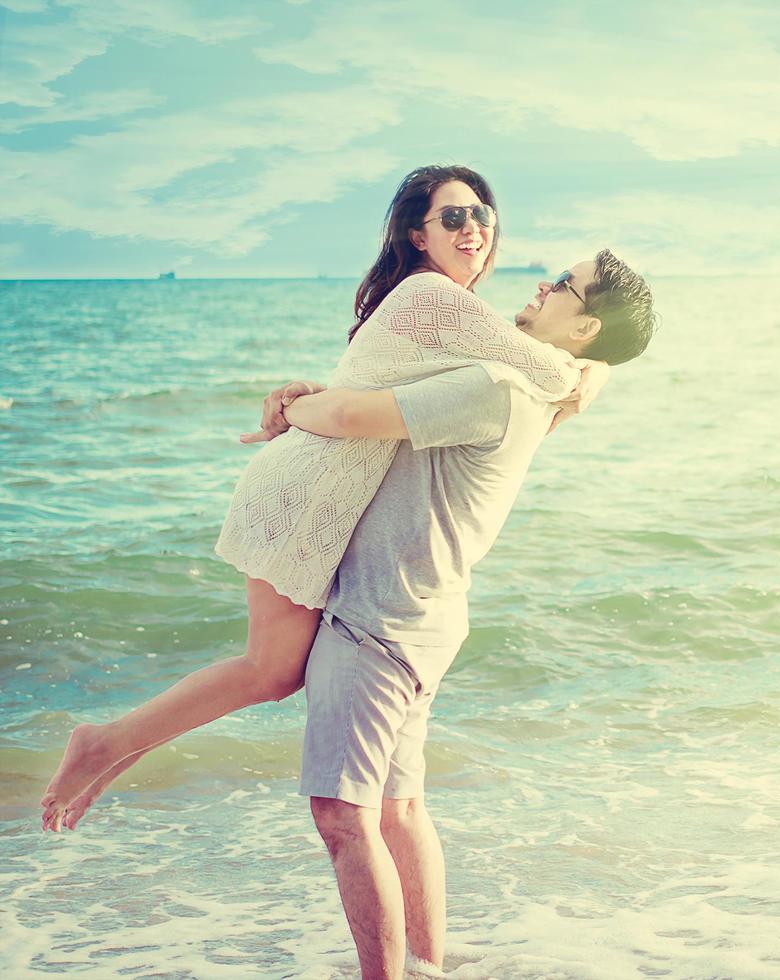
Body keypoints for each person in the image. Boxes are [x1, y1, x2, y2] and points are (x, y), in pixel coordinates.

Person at [38, 165, 606, 832]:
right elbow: (548, 369)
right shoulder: (438, 298)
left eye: (482, 215)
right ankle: (101, 746)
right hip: (299, 498)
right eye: (452, 217)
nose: (473, 228)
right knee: (270, 670)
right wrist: (595, 372)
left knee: (271, 672)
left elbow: (378, 385)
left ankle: (108, 751)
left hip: (316, 497)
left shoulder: (442, 309)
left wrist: (301, 394)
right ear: (418, 236)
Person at [279, 248, 657, 978]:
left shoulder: (498, 385)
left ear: (581, 327)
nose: (544, 285)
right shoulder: (547, 390)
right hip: (428, 616)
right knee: (399, 810)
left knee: (343, 817)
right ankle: (427, 967)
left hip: (381, 620)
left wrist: (290, 403)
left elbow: (353, 414)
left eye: (565, 286)